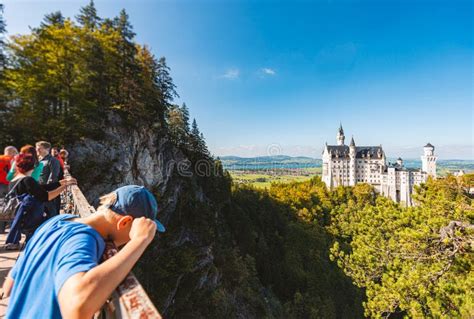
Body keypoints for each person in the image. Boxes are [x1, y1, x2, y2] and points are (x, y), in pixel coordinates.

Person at [2, 185, 166, 318]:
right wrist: (140, 241)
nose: (129, 239)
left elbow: (10, 283)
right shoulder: (83, 239)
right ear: (125, 222)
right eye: (133, 232)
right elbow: (78, 307)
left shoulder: (57, 221)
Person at [4, 153, 76, 248]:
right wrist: (64, 187)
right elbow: (46, 197)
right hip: (31, 220)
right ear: (33, 166)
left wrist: (59, 183)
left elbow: (39, 188)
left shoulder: (15, 180)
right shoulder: (28, 180)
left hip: (20, 216)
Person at [36, 141, 61, 217]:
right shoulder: (39, 161)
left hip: (49, 192)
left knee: (51, 213)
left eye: (39, 148)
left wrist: (48, 191)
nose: (37, 150)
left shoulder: (53, 160)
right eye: (37, 148)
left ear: (47, 149)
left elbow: (53, 177)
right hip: (39, 190)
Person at [0, 146, 18, 233]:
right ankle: (12, 228)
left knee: (1, 206)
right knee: (11, 206)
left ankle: (1, 229)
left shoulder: (0, 158)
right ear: (12, 152)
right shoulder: (15, 159)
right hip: (11, 185)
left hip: (0, 185)